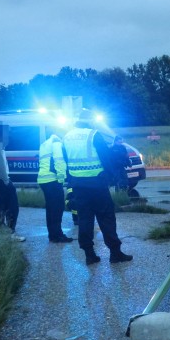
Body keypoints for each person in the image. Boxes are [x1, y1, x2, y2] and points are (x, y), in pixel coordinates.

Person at [62, 111, 132, 265]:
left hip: (78, 185)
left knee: (84, 219)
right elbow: (106, 158)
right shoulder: (93, 135)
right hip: (97, 183)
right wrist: (110, 178)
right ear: (90, 121)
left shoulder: (66, 136)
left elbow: (66, 160)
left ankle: (89, 255)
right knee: (106, 217)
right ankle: (115, 253)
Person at [0, 123, 25, 241]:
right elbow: (0, 164)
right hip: (0, 179)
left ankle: (0, 232)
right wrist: (6, 180)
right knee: (12, 206)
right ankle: (10, 233)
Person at [37, 134, 72, 243]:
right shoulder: (56, 142)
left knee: (51, 209)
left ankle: (53, 235)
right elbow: (59, 160)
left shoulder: (45, 144)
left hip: (43, 179)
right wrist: (61, 179)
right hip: (53, 180)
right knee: (57, 208)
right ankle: (58, 235)